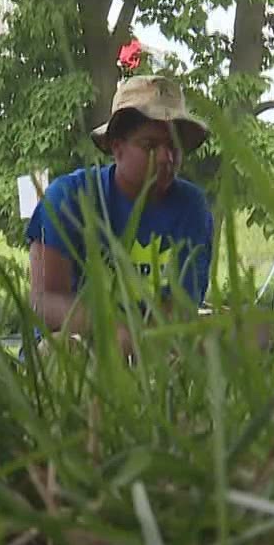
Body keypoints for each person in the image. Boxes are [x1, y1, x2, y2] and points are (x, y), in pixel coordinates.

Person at [26, 76, 215, 353]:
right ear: (117, 148)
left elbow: (181, 309)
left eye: (173, 146)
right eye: (150, 145)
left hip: (154, 350)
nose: (166, 158)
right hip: (76, 346)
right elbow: (43, 302)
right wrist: (112, 330)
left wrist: (140, 341)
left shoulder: (191, 206)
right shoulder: (69, 197)